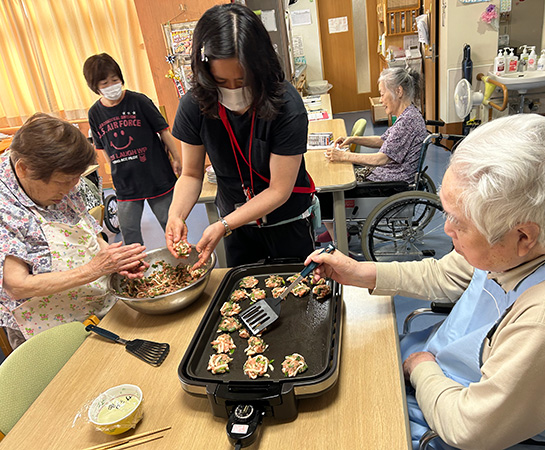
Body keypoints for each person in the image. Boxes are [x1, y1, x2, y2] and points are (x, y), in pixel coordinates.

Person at [306, 114, 545, 449]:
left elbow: (469, 427)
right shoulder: (535, 231)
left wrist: (422, 369)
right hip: (452, 364)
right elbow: (449, 273)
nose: (446, 231)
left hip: (477, 416)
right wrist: (364, 273)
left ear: (523, 236)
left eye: (458, 222)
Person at [168, 3, 316, 267]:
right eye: (221, 82)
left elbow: (279, 190)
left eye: (243, 81)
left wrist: (223, 225)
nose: (233, 91)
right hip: (236, 225)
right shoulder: (194, 104)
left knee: (298, 291)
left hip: (286, 220)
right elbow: (191, 174)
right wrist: (176, 215)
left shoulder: (286, 105)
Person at [0, 114, 148, 349]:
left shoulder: (62, 176)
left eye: (75, 179)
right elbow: (17, 286)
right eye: (63, 182)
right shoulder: (5, 205)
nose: (72, 188)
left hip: (91, 301)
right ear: (23, 169)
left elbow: (87, 229)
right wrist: (94, 269)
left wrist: (114, 259)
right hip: (44, 325)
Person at [316, 67, 427, 243]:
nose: (381, 100)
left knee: (325, 190)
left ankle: (338, 237)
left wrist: (343, 156)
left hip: (391, 183)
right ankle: (335, 228)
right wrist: (353, 139)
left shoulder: (407, 122)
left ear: (398, 91)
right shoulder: (409, 115)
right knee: (335, 175)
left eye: (383, 94)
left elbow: (380, 159)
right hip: (388, 175)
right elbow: (383, 140)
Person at [83, 53, 182, 245]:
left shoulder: (139, 101)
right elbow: (102, 146)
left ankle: (184, 264)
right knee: (129, 232)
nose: (111, 85)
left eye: (115, 79)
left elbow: (164, 131)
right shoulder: (95, 113)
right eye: (104, 83)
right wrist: (113, 170)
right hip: (125, 183)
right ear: (95, 87)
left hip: (156, 175)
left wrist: (177, 158)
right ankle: (137, 271)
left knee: (171, 225)